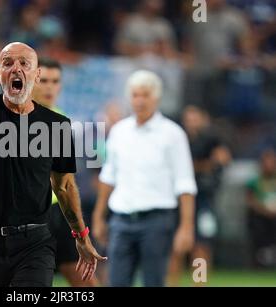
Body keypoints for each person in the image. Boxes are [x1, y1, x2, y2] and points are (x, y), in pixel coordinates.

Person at [0, 8, 106, 287]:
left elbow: (63, 187)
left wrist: (82, 237)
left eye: (24, 63)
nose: (16, 68)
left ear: (36, 74)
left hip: (34, 244)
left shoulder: (57, 124)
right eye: (8, 63)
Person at [92, 70, 197, 287]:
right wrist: (99, 216)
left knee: (154, 282)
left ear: (156, 98)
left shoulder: (172, 134)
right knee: (116, 282)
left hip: (157, 221)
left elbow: (184, 183)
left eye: (145, 95)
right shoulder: (119, 132)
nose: (140, 100)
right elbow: (108, 177)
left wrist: (186, 226)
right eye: (135, 95)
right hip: (121, 220)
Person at [32, 57, 97, 287]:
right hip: (30, 214)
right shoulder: (15, 117)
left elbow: (67, 179)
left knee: (82, 277)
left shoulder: (61, 121)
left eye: (55, 81)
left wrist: (81, 229)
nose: (50, 87)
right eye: (44, 80)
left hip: (59, 211)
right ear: (32, 80)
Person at [167, 105, 232, 286]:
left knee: (201, 245)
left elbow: (223, 159)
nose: (192, 121)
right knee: (175, 245)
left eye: (196, 117)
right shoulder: (177, 140)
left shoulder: (213, 138)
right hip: (178, 200)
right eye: (189, 117)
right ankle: (172, 283)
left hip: (204, 199)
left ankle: (199, 283)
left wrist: (202, 165)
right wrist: (205, 165)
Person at [246, 148, 276, 268]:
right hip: (261, 217)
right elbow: (250, 200)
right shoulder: (255, 181)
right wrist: (265, 210)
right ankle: (259, 262)